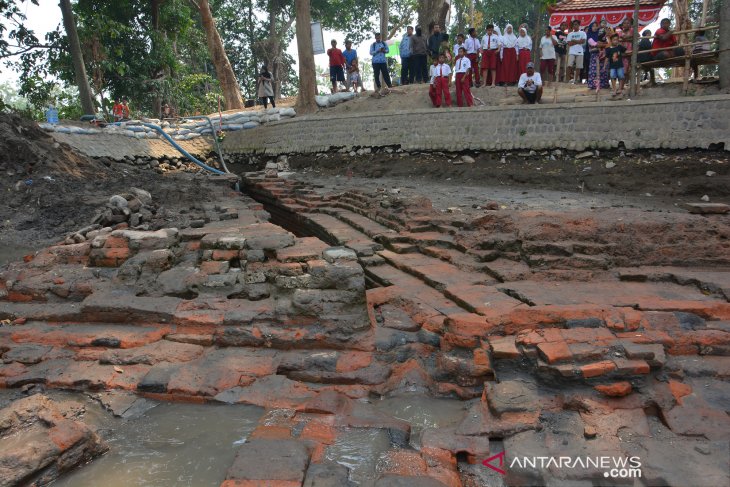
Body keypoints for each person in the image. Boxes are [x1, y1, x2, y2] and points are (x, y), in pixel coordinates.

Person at [587, 21, 610, 91]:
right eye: (593, 26)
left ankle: (604, 85)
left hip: (603, 54)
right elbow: (594, 44)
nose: (595, 27)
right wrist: (603, 44)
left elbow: (607, 42)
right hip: (594, 55)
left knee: (603, 69)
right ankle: (593, 85)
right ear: (590, 28)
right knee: (594, 71)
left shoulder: (600, 35)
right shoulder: (589, 36)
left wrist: (602, 43)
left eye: (596, 26)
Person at [566, 19, 587, 84]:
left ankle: (575, 80)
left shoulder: (582, 33)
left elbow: (583, 41)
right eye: (574, 25)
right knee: (569, 65)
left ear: (579, 25)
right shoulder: (570, 34)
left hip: (580, 52)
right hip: (572, 51)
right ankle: (567, 80)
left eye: (576, 24)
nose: (574, 26)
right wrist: (578, 41)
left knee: (578, 67)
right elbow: (569, 43)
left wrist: (574, 40)